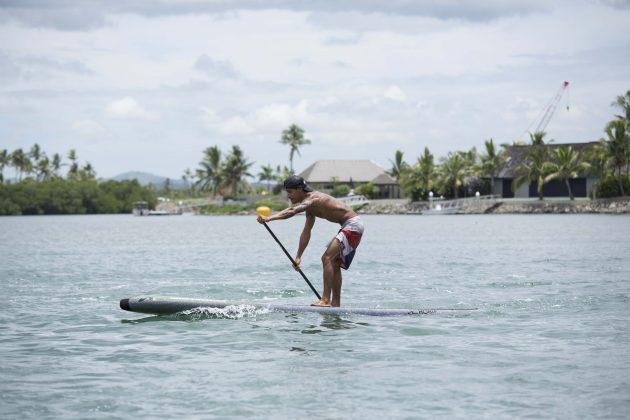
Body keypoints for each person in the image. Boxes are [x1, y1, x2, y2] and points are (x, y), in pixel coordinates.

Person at [257, 175, 364, 307]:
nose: (289, 196)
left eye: (290, 192)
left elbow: (292, 211)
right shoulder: (309, 208)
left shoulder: (313, 199)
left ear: (300, 189)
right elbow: (306, 231)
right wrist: (298, 257)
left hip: (353, 225)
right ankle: (336, 305)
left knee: (327, 258)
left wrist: (270, 218)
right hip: (348, 226)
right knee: (334, 262)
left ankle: (325, 300)